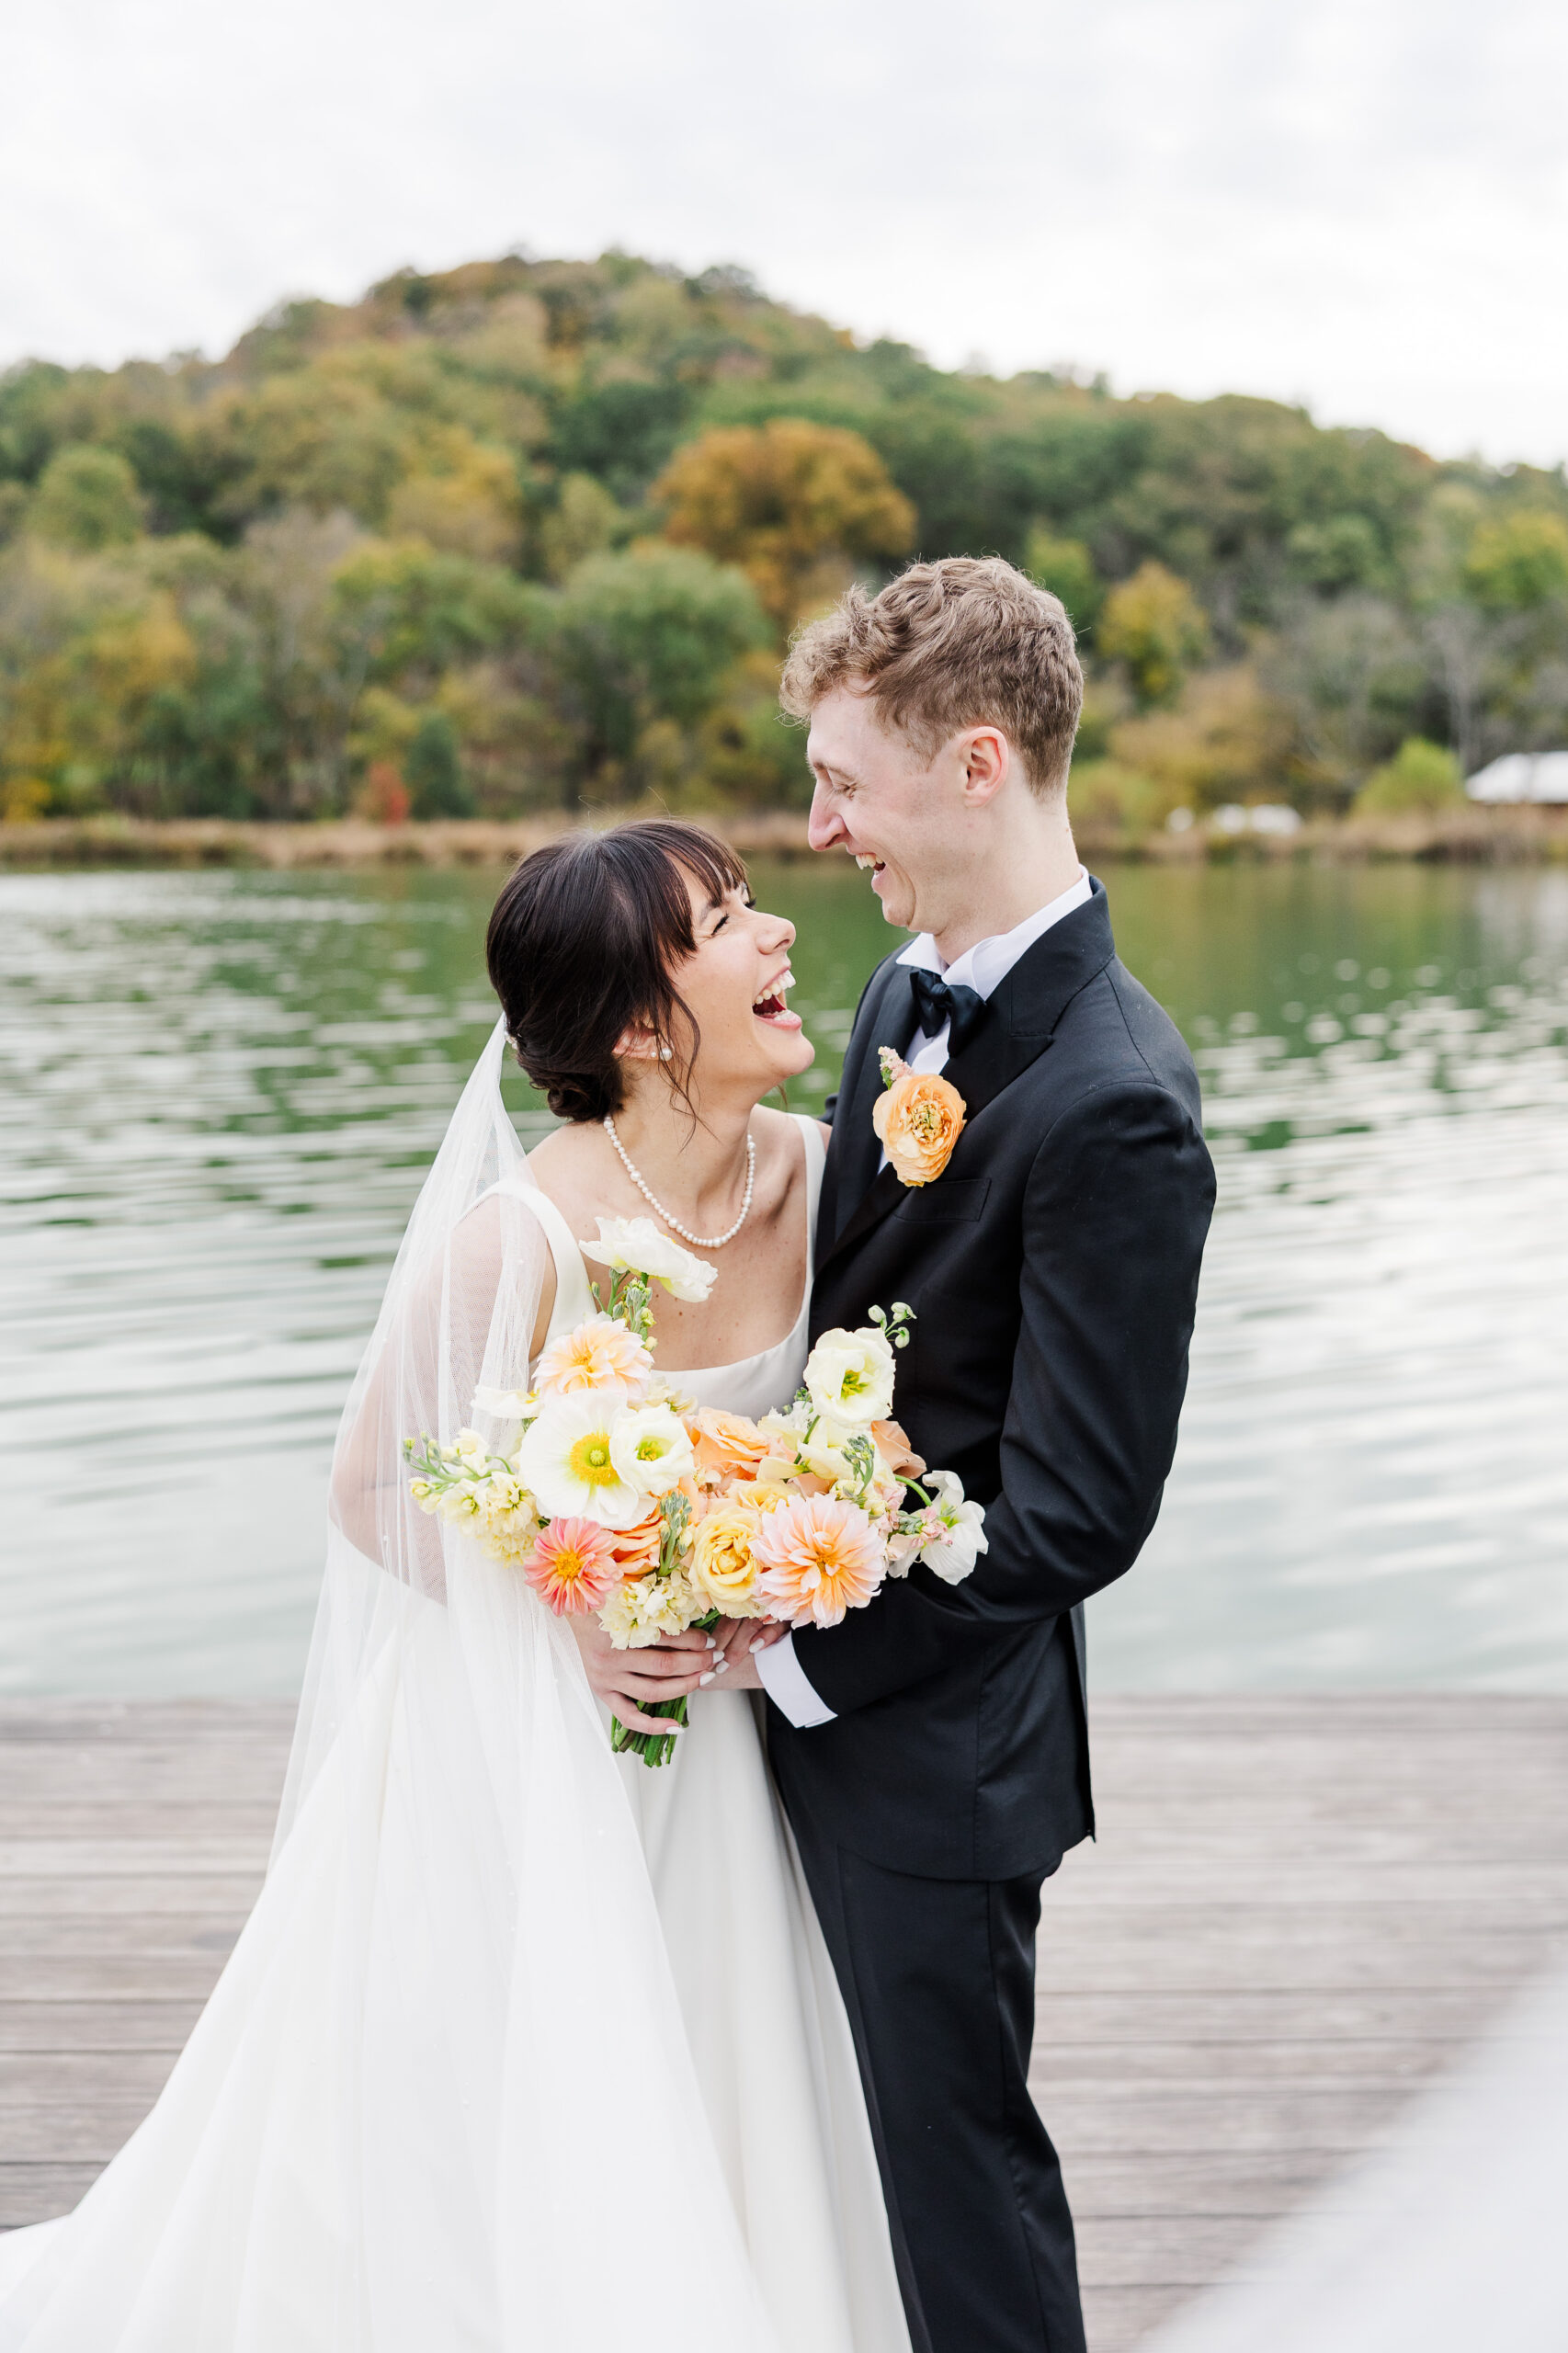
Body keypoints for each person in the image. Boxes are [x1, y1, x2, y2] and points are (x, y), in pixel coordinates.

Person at [0, 821, 910, 2353]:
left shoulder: (819, 1175)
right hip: (535, 1741)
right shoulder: (525, 1239)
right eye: (724, 923)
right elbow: (368, 1489)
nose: (778, 937)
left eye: (754, 905)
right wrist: (569, 1621)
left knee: (724, 2058)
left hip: (736, 1737)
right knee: (502, 2102)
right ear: (639, 1026)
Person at [750, 557, 1217, 2353]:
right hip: (796, 1680)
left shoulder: (1116, 1100)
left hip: (934, 1744)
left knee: (959, 2194)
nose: (818, 826)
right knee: (818, 2142)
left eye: (842, 782)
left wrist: (802, 1651)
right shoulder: (901, 991)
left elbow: (1073, 1515)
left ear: (972, 763)